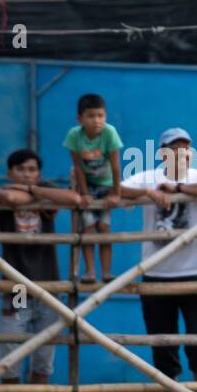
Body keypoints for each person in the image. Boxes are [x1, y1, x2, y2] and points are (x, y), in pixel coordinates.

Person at [0, 151, 84, 392]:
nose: (27, 174)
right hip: (19, 288)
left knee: (43, 358)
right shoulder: (3, 193)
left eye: (33, 170)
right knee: (11, 355)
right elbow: (9, 200)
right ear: (10, 172)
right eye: (21, 170)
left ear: (39, 173)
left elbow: (73, 200)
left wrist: (32, 191)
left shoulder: (44, 191)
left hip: (49, 287)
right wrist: (35, 195)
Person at [120, 128, 197, 392]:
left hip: (193, 272)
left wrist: (177, 190)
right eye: (175, 149)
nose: (182, 154)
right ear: (163, 153)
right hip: (155, 274)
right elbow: (116, 190)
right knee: (162, 343)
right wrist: (149, 193)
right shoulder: (148, 177)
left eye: (186, 149)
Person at [63, 92, 124, 282]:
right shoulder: (74, 135)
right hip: (87, 185)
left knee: (104, 227)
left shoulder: (109, 132)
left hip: (105, 185)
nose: (97, 120)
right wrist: (84, 192)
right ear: (80, 119)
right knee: (88, 228)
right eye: (91, 116)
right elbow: (78, 167)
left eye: (101, 116)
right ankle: (90, 272)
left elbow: (115, 166)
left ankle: (106, 272)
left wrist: (116, 193)